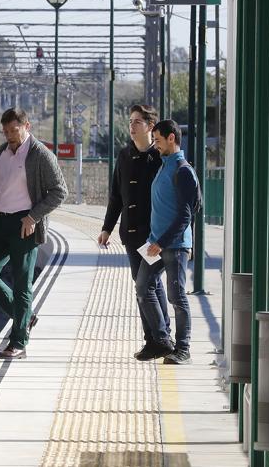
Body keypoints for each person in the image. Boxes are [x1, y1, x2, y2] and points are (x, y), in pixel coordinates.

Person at [0, 108, 68, 359]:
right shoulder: (1, 153)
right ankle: (24, 317)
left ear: (26, 125)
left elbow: (59, 191)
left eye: (14, 130)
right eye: (5, 131)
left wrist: (33, 216)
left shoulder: (40, 155)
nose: (9, 135)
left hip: (24, 225)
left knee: (21, 284)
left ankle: (18, 342)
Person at [99, 105, 169, 358]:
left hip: (153, 236)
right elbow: (116, 195)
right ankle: (156, 337)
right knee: (148, 285)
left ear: (151, 127)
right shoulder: (124, 155)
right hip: (130, 234)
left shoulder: (160, 157)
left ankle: (159, 338)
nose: (132, 126)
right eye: (130, 121)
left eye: (137, 121)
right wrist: (107, 227)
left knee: (145, 286)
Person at [133, 120, 201, 364]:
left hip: (172, 245)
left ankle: (183, 349)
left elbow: (187, 214)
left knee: (177, 296)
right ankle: (162, 341)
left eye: (158, 140)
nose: (156, 145)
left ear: (171, 138)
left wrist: (163, 242)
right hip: (156, 243)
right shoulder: (164, 166)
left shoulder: (182, 170)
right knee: (142, 287)